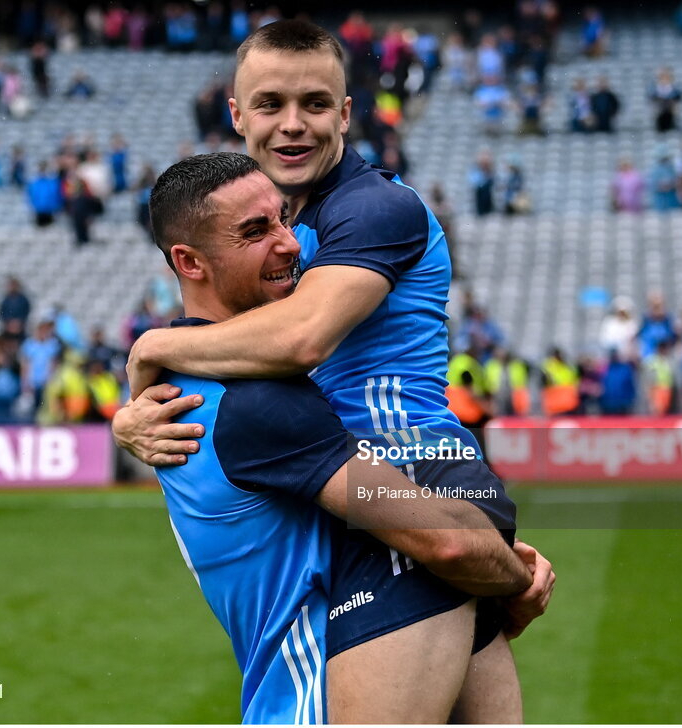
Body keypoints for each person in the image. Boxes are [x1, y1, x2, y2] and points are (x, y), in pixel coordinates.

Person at [113, 22, 552, 723]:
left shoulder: (373, 206)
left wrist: (149, 351)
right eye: (270, 105)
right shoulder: (273, 215)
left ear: (346, 114)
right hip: (352, 492)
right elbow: (232, 339)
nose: (293, 125)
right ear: (236, 114)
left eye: (316, 104)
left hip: (411, 476)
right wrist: (129, 412)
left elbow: (302, 338)